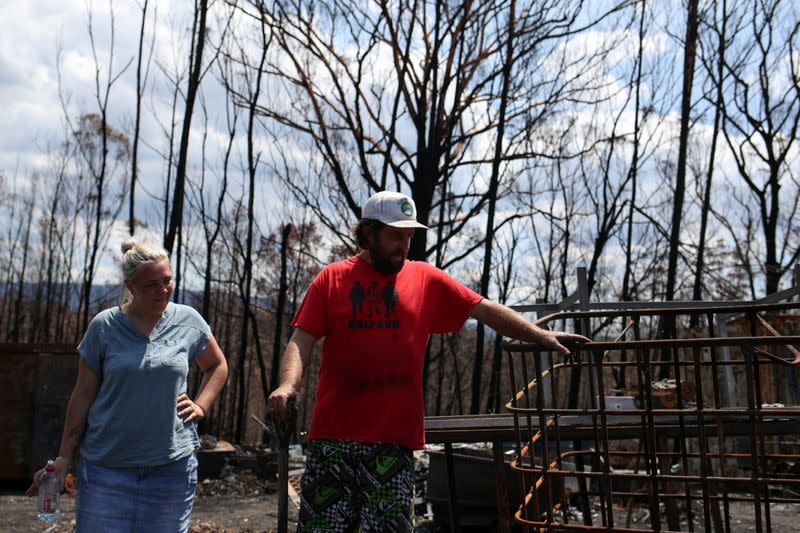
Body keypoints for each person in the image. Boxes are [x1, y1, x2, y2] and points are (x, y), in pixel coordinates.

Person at [267, 190, 589, 532]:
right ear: (367, 233)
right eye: (395, 235)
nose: (404, 246)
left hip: (393, 442)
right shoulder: (331, 279)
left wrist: (541, 335)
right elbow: (301, 340)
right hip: (333, 438)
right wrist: (286, 386)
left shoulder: (426, 279)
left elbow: (484, 309)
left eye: (409, 237)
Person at [26, 237, 228, 533]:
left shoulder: (189, 321)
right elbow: (82, 395)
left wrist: (201, 404)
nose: (163, 290)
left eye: (167, 280)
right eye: (152, 285)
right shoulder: (104, 327)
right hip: (106, 473)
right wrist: (65, 458)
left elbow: (217, 365)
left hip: (171, 471)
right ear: (130, 287)